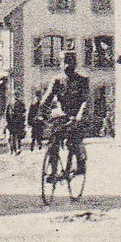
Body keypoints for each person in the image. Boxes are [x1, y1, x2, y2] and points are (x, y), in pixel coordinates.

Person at [41, 52, 90, 183]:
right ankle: (53, 170)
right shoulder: (57, 80)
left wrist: (80, 115)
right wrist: (41, 113)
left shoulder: (82, 79)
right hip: (63, 116)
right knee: (53, 141)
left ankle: (80, 164)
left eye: (70, 61)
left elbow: (85, 100)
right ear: (61, 63)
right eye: (65, 61)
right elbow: (47, 98)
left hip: (78, 116)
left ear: (75, 63)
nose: (68, 64)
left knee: (74, 141)